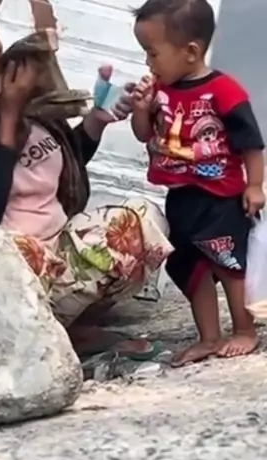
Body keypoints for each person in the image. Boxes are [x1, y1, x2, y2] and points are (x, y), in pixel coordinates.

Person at [0, 0, 172, 358]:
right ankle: (47, 335)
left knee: (142, 220)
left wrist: (97, 119)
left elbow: (54, 163)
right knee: (19, 251)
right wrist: (8, 122)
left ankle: (68, 328)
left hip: (55, 254)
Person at [132, 0, 265, 367]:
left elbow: (251, 144)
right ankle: (209, 337)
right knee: (189, 268)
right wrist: (141, 109)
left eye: (153, 53)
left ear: (190, 52)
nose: (148, 62)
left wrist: (255, 186)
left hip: (220, 198)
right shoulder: (161, 91)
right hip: (180, 197)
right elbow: (144, 134)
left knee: (228, 263)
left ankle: (245, 330)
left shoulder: (225, 91)